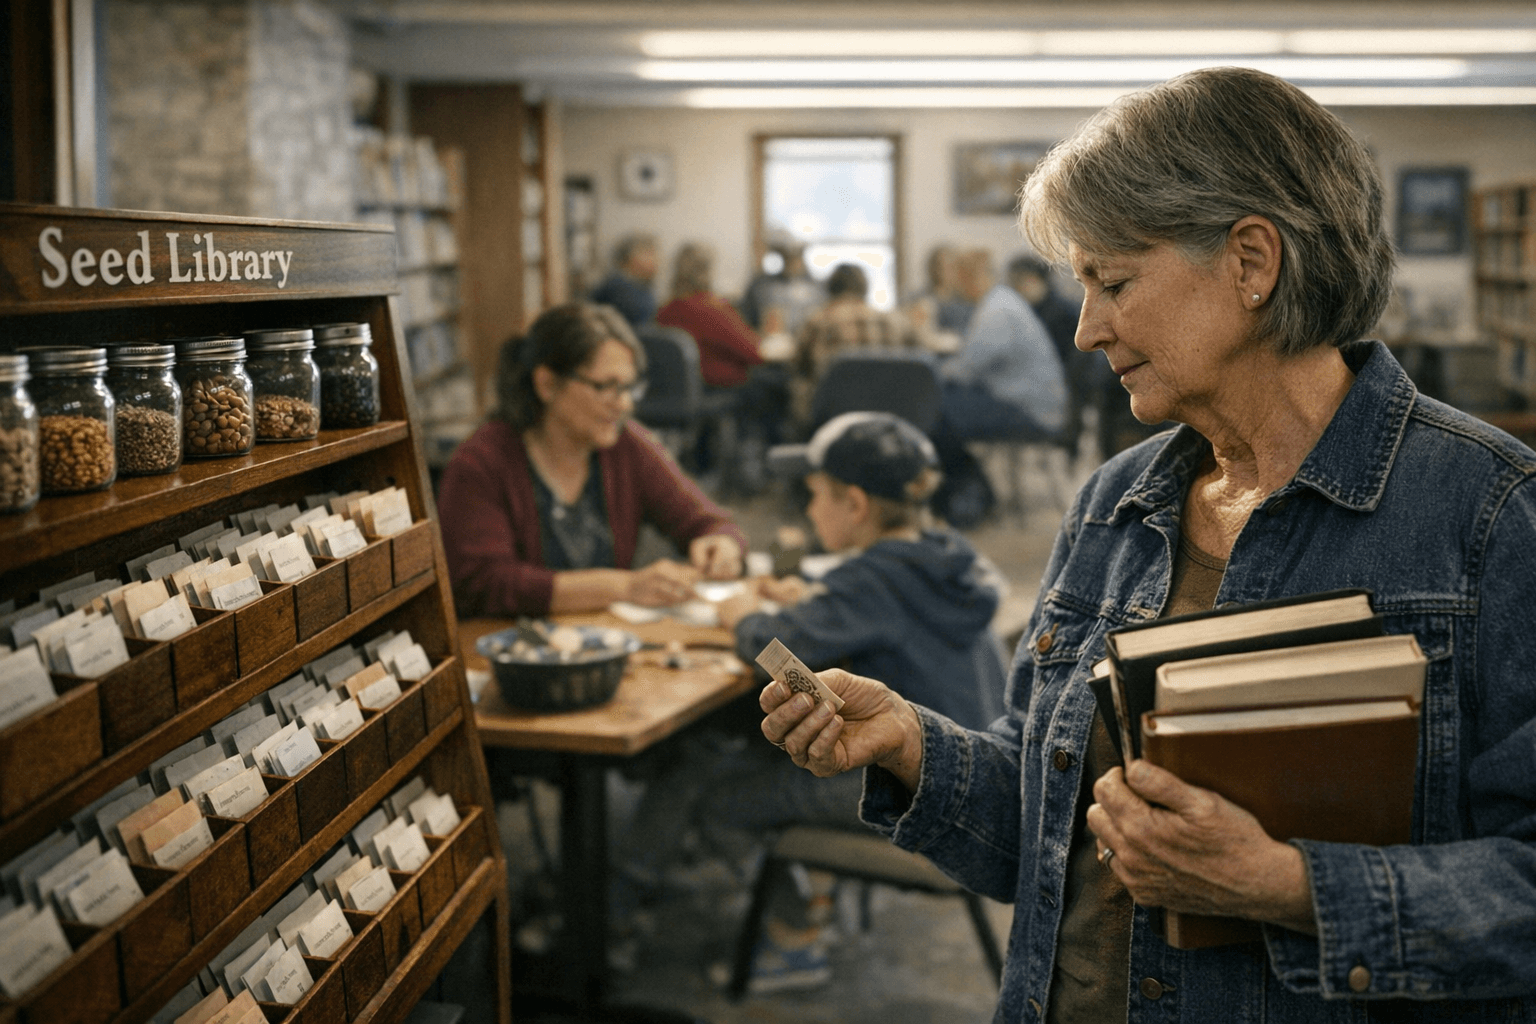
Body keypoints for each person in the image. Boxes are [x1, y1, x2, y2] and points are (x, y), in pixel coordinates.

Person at [759, 66, 1536, 1023]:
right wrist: (914, 745)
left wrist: (1289, 885)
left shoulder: (1491, 519)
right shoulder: (1114, 506)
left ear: (1252, 262)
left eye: (1114, 282)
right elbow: (1047, 838)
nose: (1086, 331)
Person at [624, 412, 1006, 992]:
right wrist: (812, 597)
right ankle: (815, 896)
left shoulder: (868, 583)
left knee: (720, 798)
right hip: (969, 769)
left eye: (814, 496)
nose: (807, 511)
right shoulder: (943, 555)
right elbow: (867, 611)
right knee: (753, 759)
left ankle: (796, 935)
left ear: (854, 504)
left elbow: (778, 650)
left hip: (910, 786)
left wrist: (743, 616)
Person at [437, 302, 744, 617]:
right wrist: (624, 587)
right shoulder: (481, 462)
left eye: (629, 387)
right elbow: (486, 583)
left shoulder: (627, 444)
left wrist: (721, 544)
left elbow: (708, 520)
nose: (623, 404)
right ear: (546, 383)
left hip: (606, 642)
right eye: (605, 386)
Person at [930, 252, 1069, 528]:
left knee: (935, 413)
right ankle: (975, 490)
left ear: (969, 279)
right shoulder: (1003, 301)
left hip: (1029, 412)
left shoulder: (997, 311)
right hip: (1029, 403)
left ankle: (970, 497)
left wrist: (930, 370)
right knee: (941, 408)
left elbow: (966, 370)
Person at [791, 263, 922, 426]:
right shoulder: (896, 322)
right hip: (888, 417)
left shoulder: (816, 322)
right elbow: (918, 362)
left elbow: (799, 368)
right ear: (865, 288)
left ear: (830, 289)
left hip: (832, 420)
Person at [1012, 252, 1107, 463]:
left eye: (1020, 282)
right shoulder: (1044, 307)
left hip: (1065, 386)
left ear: (1034, 279)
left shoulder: (1056, 312)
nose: (1017, 290)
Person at [588, 234, 660, 329]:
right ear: (630, 257)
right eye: (648, 253)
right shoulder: (618, 287)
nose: (656, 259)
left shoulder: (643, 286)